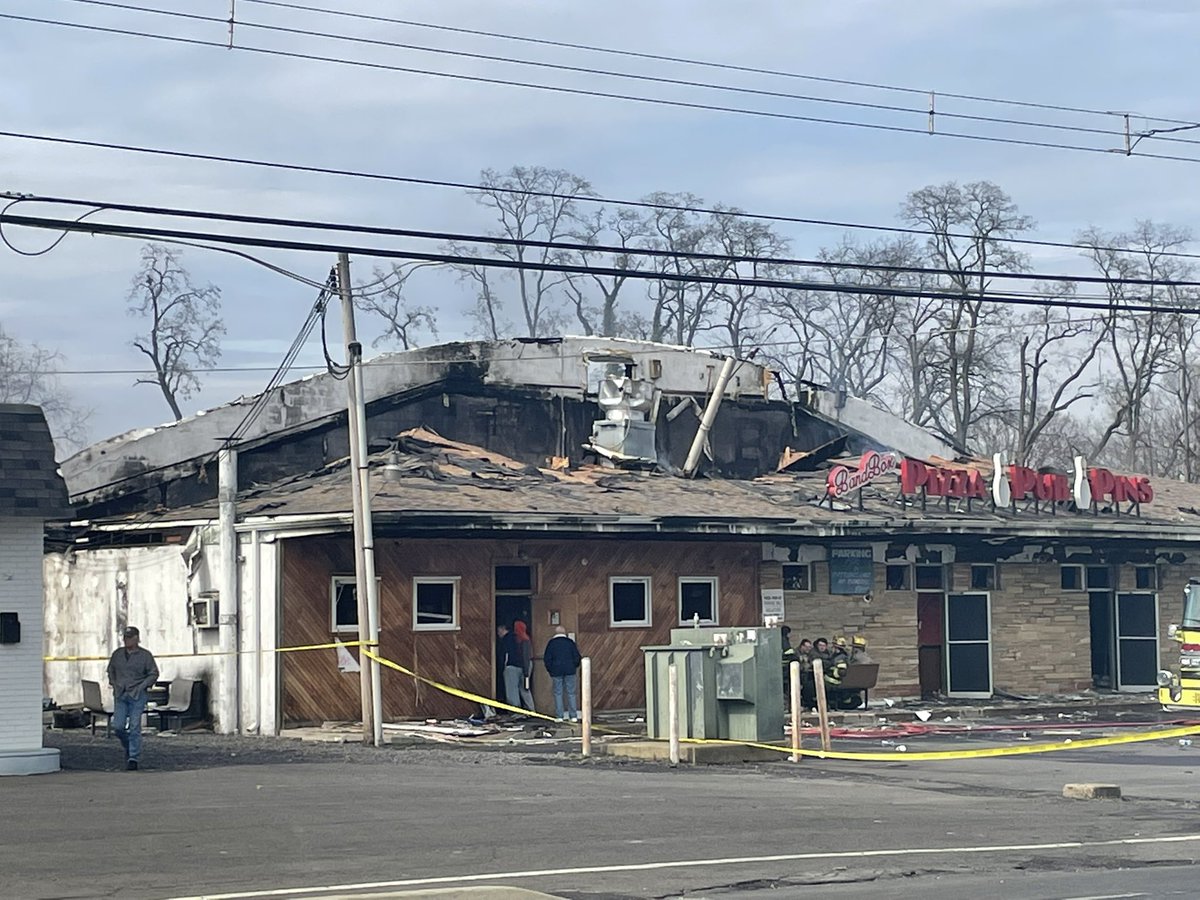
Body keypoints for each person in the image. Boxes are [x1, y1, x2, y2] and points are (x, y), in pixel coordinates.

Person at [106, 626, 159, 771]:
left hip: (137, 695)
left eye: (129, 637)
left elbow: (153, 673)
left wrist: (142, 686)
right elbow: (110, 670)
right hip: (120, 694)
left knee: (135, 726)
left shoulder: (145, 656)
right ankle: (129, 746)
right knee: (118, 727)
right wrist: (114, 683)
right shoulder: (117, 654)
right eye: (125, 637)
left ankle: (133, 758)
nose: (126, 640)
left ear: (136, 638)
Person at [542, 625, 582, 721]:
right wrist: (574, 667)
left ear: (556, 633)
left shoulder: (551, 643)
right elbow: (577, 657)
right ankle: (573, 716)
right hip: (570, 670)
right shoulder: (570, 643)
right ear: (564, 633)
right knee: (571, 693)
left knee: (558, 693)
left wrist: (550, 670)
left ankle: (559, 716)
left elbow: (547, 659)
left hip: (556, 671)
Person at [512, 620, 536, 712]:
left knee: (525, 688)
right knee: (524, 687)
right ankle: (528, 709)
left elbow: (526, 657)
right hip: (525, 666)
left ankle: (531, 709)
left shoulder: (524, 641)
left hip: (526, 666)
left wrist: (526, 672)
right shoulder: (522, 639)